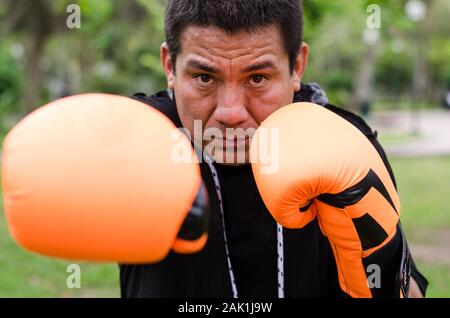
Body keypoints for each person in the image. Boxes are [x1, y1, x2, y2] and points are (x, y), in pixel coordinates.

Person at [119, 0, 428, 298]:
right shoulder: (135, 135)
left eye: (257, 78)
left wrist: (380, 250)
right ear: (169, 65)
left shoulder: (345, 139)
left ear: (296, 66)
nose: (231, 112)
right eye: (204, 77)